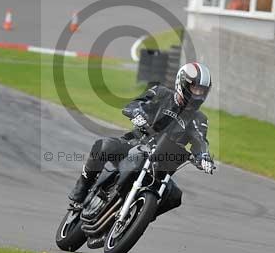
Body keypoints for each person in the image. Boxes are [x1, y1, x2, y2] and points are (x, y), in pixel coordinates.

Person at [69, 62, 215, 204]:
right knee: (104, 146)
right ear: (182, 83)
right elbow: (134, 105)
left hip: (162, 164)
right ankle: (81, 189)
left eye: (202, 91)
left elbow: (200, 140)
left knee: (174, 196)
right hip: (135, 144)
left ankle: (138, 214)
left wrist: (204, 157)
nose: (198, 94)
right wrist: (137, 114)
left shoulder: (198, 119)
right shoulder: (161, 93)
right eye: (195, 88)